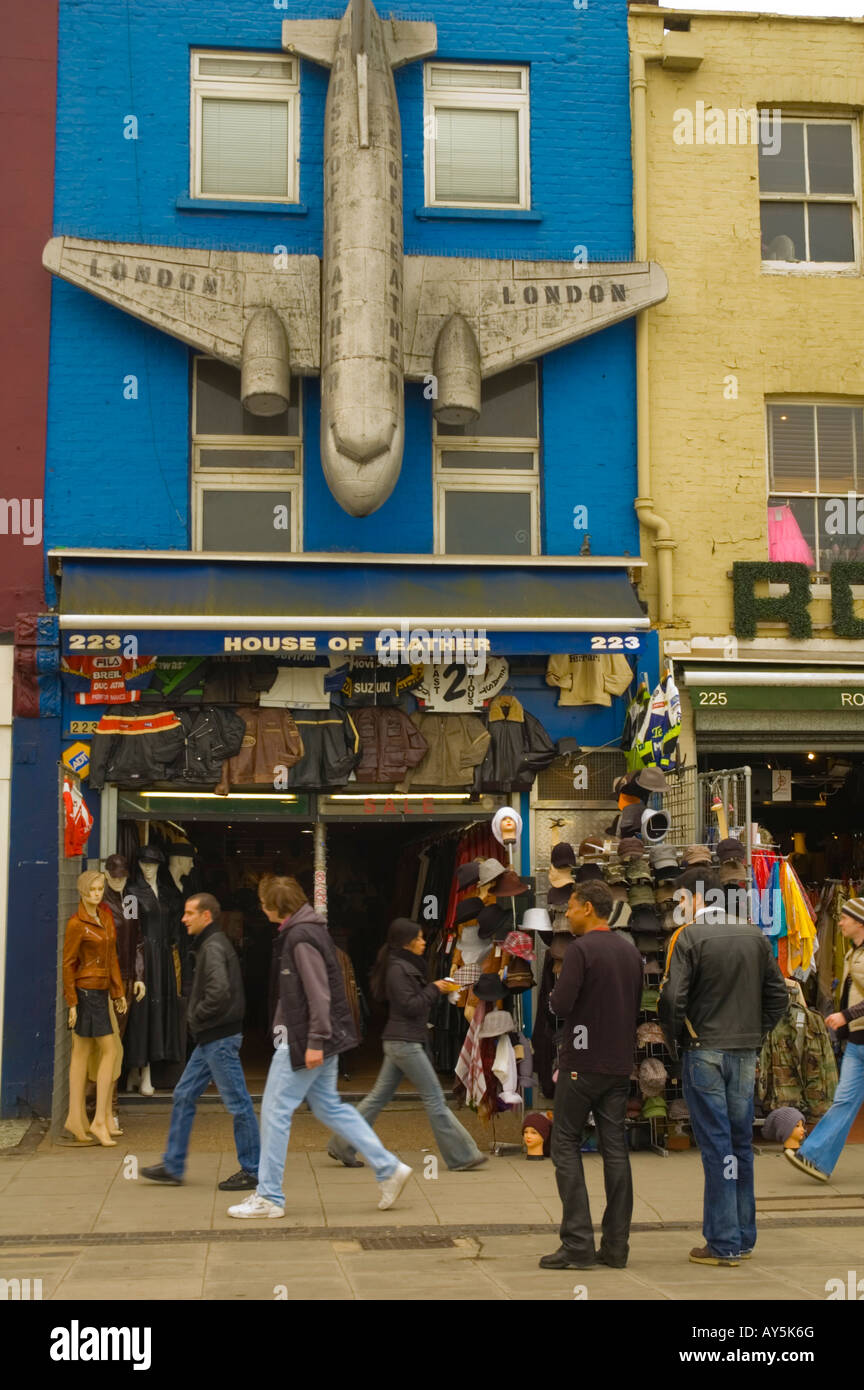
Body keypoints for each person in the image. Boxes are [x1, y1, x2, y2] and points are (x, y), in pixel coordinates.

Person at [228, 877, 412, 1219]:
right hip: (315, 1038)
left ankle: (269, 1196)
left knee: (274, 1112)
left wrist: (313, 1042)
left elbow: (318, 994)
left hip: (303, 1040)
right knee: (329, 1107)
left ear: (275, 907)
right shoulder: (310, 930)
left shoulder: (299, 938)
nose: (260, 907)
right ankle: (388, 1167)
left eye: (263, 902)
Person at [659, 867, 788, 1266]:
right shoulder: (754, 935)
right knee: (738, 1144)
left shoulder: (690, 937)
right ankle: (743, 1236)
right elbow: (778, 997)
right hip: (743, 1051)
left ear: (697, 898)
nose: (680, 907)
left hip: (705, 1050)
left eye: (682, 899)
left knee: (716, 1146)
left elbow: (672, 1000)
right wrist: (755, 1033)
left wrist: (677, 1040)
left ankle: (724, 1241)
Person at [327, 918, 487, 1172]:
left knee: (377, 1099)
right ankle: (462, 1155)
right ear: (407, 942)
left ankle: (341, 1144)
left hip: (400, 1041)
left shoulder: (401, 966)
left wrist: (437, 988)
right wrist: (434, 988)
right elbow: (410, 1006)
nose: (424, 942)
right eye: (420, 938)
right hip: (405, 1043)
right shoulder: (398, 969)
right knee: (435, 1099)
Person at [540, 879, 643, 1270]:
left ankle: (578, 1243)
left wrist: (553, 998)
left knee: (564, 1144)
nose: (566, 912)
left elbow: (561, 1005)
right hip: (617, 1064)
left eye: (570, 906)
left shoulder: (581, 950)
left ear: (587, 907)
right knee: (615, 1149)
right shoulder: (629, 951)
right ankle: (616, 1247)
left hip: (581, 1064)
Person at [141, 894, 260, 1190]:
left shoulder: (213, 946)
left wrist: (196, 1018)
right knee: (183, 1094)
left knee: (239, 1104)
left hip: (218, 1038)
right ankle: (173, 1165)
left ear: (206, 916)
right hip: (212, 1038)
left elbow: (219, 992)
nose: (183, 918)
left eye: (189, 913)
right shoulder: (211, 944)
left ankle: (254, 1169)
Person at [785, 896, 864, 1182]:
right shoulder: (852, 953)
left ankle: (815, 1155)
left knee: (843, 1101)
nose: (839, 922)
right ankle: (815, 1157)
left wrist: (845, 1016)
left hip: (858, 1035)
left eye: (844, 918)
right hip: (857, 1042)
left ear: (858, 922)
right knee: (843, 1101)